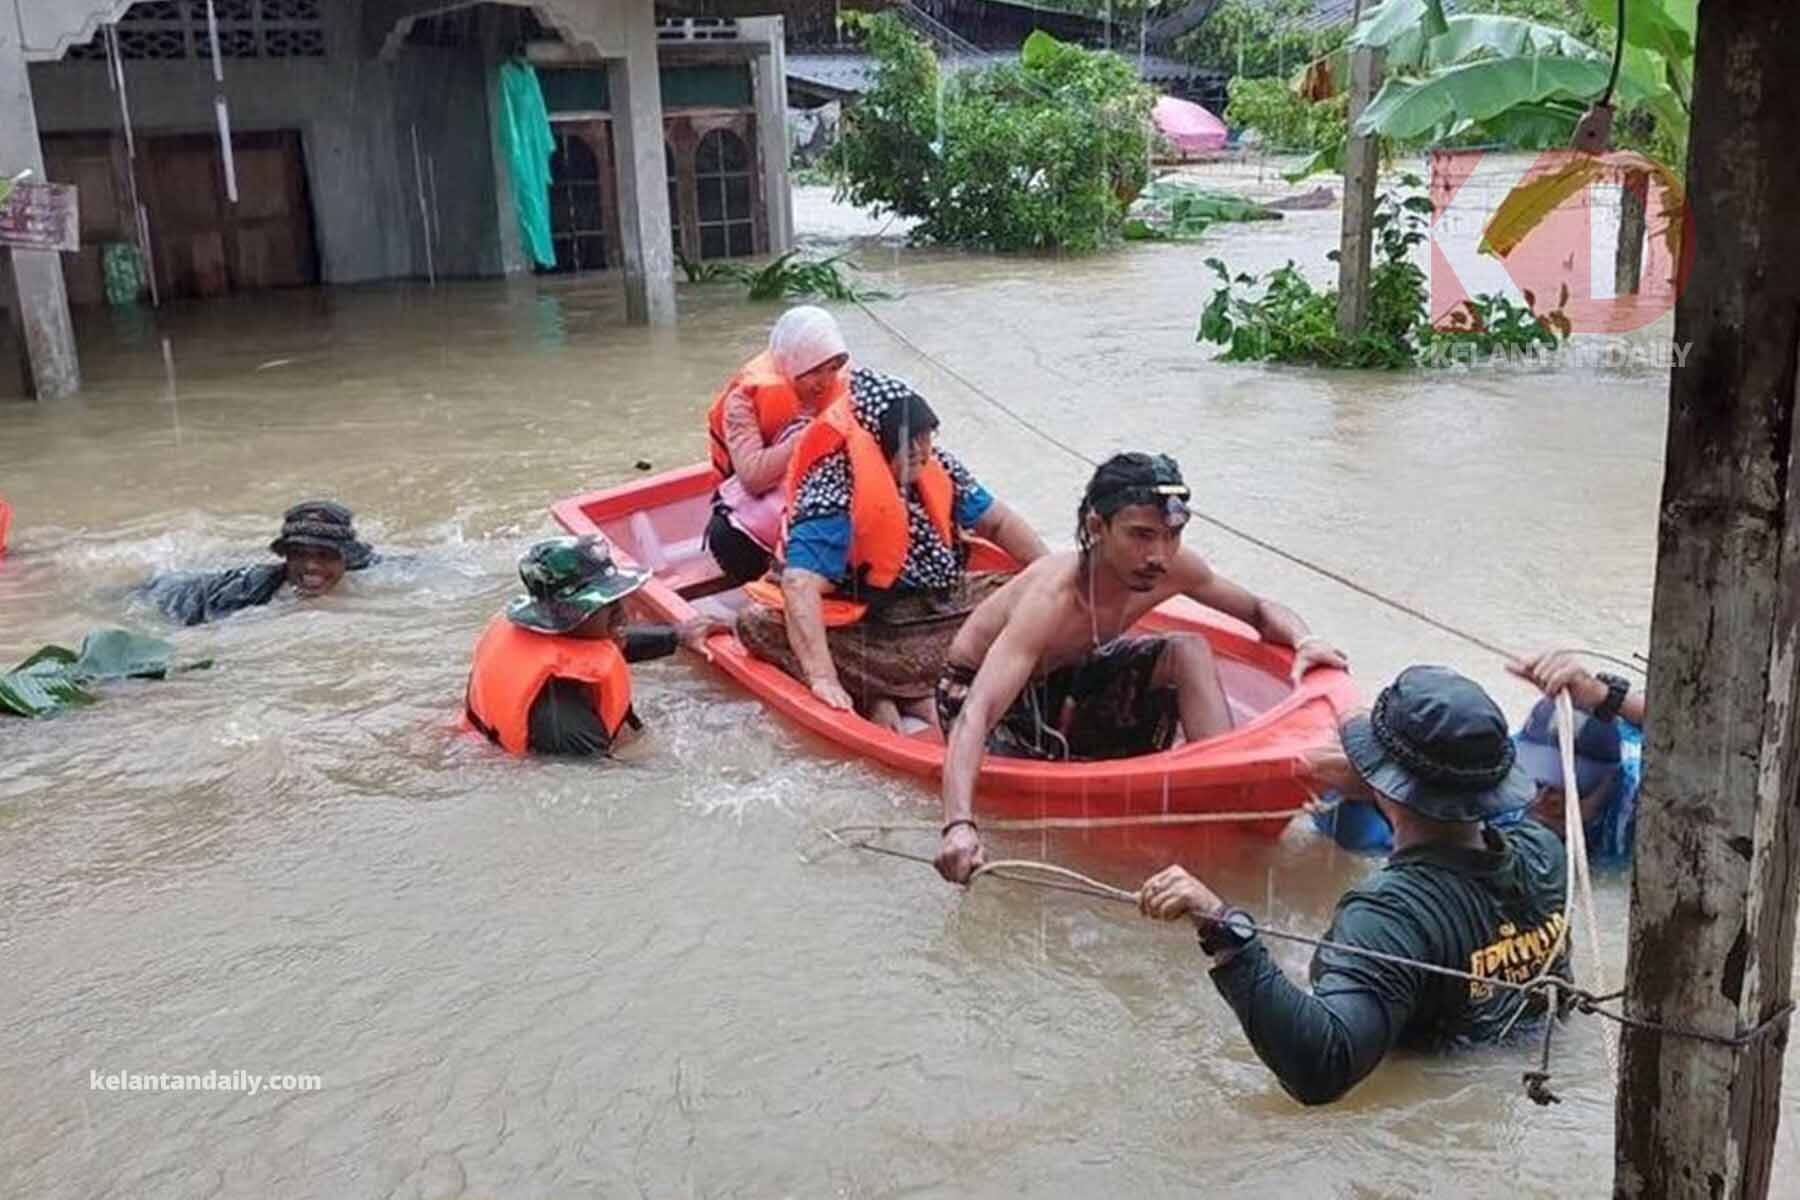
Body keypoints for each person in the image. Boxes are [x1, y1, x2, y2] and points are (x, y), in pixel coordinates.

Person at [1137, 665, 1571, 1106]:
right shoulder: (1544, 850)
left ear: (1388, 781)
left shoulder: (1390, 915)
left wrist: (1224, 929)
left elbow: (1322, 1066)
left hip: (1422, 1121)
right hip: (1517, 1089)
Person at [933, 452, 1347, 883]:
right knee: (1040, 766)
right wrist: (958, 824)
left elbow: (1260, 611)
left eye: (1172, 535)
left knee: (1188, 648)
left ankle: (1226, 783)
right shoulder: (1053, 598)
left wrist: (1306, 639)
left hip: (1070, 671)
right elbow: (977, 711)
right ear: (1097, 527)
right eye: (1141, 536)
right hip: (978, 693)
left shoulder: (1173, 567)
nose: (1159, 556)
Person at [735, 367, 1048, 732]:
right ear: (880, 440)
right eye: (907, 441)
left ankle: (895, 688)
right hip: (869, 623)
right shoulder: (835, 487)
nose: (919, 450)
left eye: (924, 437)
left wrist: (1052, 571)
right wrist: (823, 679)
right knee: (757, 623)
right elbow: (799, 584)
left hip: (936, 607)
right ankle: (884, 693)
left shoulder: (939, 466)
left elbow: (998, 523)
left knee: (1033, 590)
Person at [1313, 650, 1644, 865]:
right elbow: (1394, 837)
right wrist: (1372, 785)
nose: (1545, 799)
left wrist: (1611, 696)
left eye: (1570, 787)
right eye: (1539, 779)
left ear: (1611, 780)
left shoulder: (1639, 800)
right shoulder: (1497, 787)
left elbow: (1691, 733)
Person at [465, 535, 721, 757]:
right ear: (568, 616)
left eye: (618, 597)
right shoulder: (562, 716)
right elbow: (604, 782)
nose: (622, 612)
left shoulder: (567, 636)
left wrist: (677, 635)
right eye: (604, 603)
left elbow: (601, 647)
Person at [704, 306, 851, 584]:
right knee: (729, 538)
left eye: (832, 368)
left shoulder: (844, 388)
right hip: (751, 520)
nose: (826, 381)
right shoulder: (744, 399)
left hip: (815, 507)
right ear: (792, 363)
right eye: (814, 371)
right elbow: (753, 477)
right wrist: (813, 435)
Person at [140, 500, 376, 626]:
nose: (311, 566)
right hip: (164, 593)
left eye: (325, 555)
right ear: (286, 557)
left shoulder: (366, 565)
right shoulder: (246, 594)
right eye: (299, 555)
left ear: (347, 559)